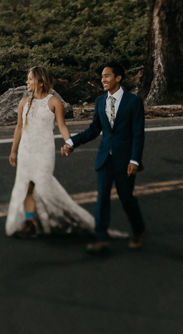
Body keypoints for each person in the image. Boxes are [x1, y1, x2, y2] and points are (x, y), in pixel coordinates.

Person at [63, 63, 147, 255]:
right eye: (102, 77)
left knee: (126, 199)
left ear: (118, 78)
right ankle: (101, 239)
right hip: (104, 158)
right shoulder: (100, 101)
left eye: (107, 76)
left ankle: (139, 231)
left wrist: (134, 160)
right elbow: (94, 130)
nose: (103, 80)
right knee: (102, 198)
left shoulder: (134, 102)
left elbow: (138, 134)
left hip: (125, 160)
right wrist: (72, 142)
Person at [4, 65, 92, 236]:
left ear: (40, 82)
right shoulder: (24, 102)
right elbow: (19, 128)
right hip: (26, 150)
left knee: (42, 186)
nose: (27, 81)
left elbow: (61, 126)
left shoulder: (54, 102)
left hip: (44, 150)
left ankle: (60, 218)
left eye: (30, 78)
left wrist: (69, 143)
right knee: (27, 186)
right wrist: (13, 150)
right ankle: (30, 222)